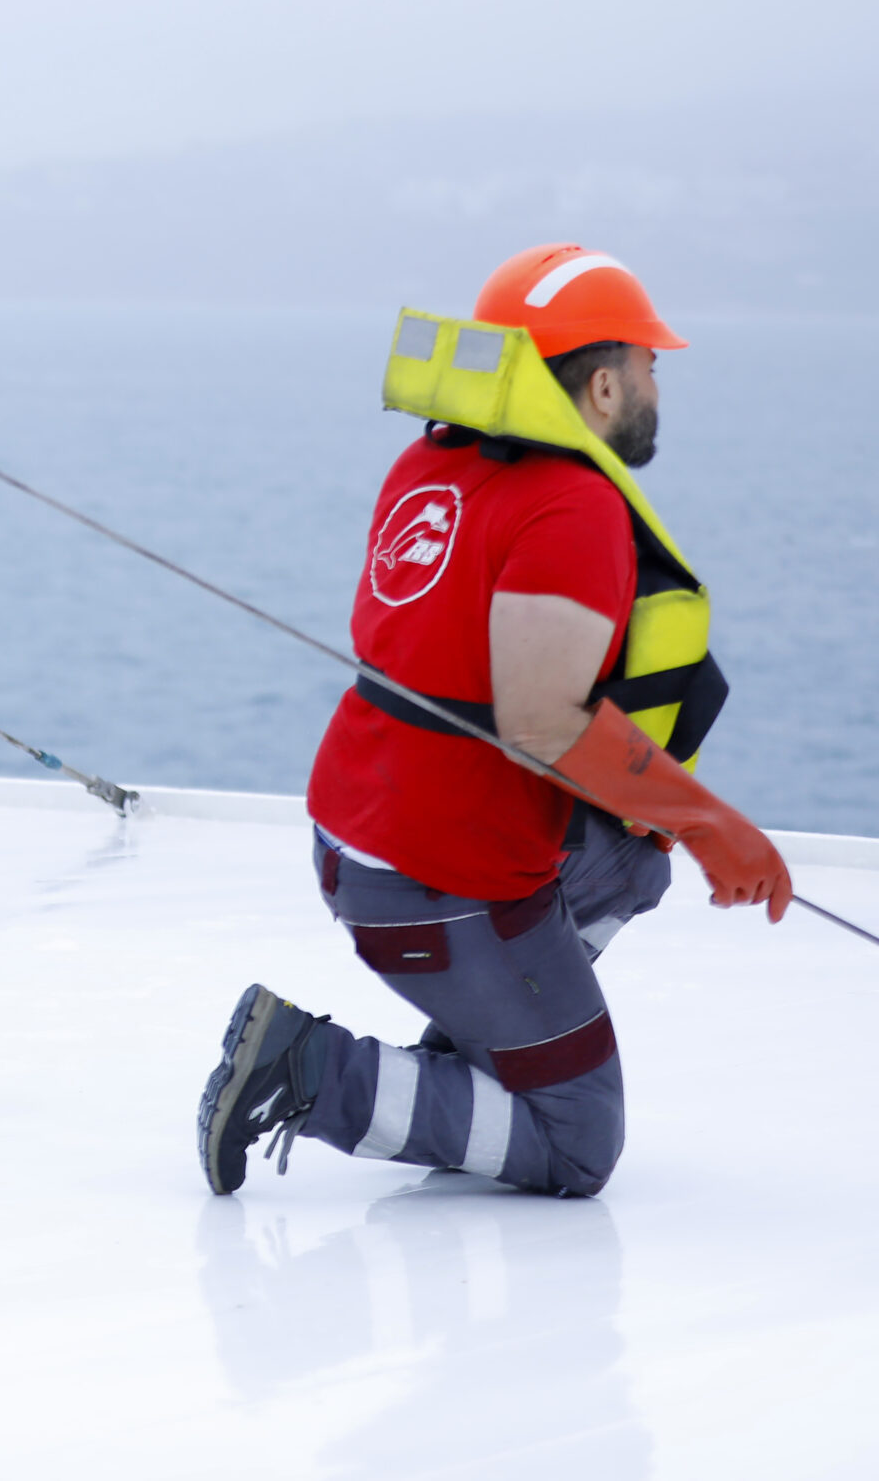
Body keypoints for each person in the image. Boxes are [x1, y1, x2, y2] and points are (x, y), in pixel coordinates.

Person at [198, 245, 792, 1198]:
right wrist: (714, 823)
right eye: (648, 365)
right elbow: (540, 719)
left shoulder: (430, 460)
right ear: (602, 384)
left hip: (361, 835)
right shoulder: (571, 505)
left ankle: (478, 1033)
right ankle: (310, 1070)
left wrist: (672, 824)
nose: (654, 383)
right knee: (575, 1143)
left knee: (632, 860)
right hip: (439, 884)